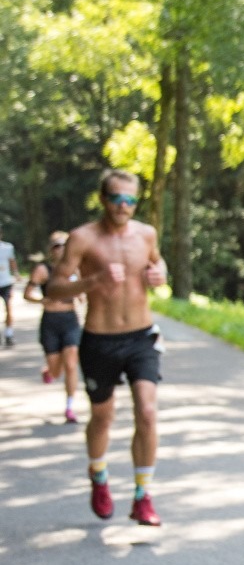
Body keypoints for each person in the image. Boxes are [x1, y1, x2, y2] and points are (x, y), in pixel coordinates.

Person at [46, 170, 167, 525]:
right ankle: (99, 475)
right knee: (103, 417)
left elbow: (158, 261)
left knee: (147, 411)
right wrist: (92, 281)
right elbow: (53, 288)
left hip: (142, 336)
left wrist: (160, 273)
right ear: (103, 199)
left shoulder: (146, 234)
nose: (123, 206)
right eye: (116, 198)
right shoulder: (82, 238)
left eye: (130, 200)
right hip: (99, 339)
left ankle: (143, 496)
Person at [25, 231, 83, 423]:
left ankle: (69, 407)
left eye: (65, 245)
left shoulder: (74, 269)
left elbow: (82, 291)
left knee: (71, 363)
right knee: (57, 370)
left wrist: (81, 295)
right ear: (51, 250)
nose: (61, 249)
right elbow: (27, 293)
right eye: (57, 246)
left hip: (70, 320)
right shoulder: (43, 270)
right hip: (50, 321)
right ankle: (49, 371)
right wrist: (42, 300)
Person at [0, 223, 17, 346]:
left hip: (6, 282)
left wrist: (16, 273)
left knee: (8, 307)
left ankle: (9, 334)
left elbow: (12, 261)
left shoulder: (7, 247)